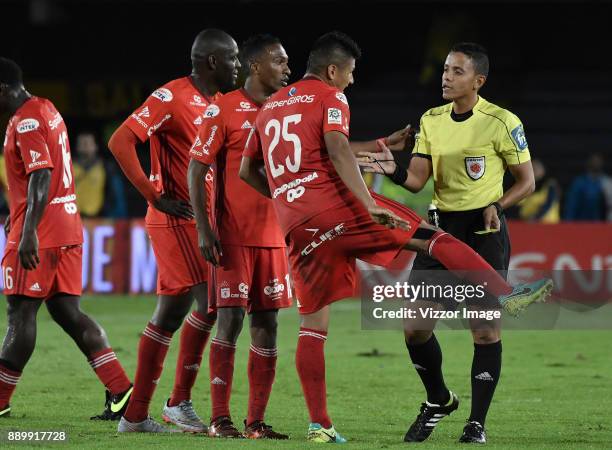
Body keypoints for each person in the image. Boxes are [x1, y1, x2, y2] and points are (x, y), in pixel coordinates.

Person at [241, 32, 552, 443]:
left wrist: (375, 161)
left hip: (298, 223)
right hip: (344, 207)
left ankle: (324, 425)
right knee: (428, 255)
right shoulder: (341, 99)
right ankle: (502, 303)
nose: (351, 82)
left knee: (313, 325)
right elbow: (335, 150)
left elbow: (252, 170)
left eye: (455, 70)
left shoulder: (270, 107)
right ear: (334, 70)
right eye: (349, 74)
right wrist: (366, 203)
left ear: (478, 80)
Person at [359, 42, 544, 444]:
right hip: (438, 235)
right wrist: (392, 169)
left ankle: (476, 422)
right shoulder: (432, 119)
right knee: (414, 328)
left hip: (484, 233)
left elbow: (526, 182)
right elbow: (417, 181)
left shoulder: (502, 121)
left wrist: (498, 203)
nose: (446, 76)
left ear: (478, 80)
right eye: (445, 69)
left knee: (484, 332)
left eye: (457, 71)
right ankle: (438, 399)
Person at [107, 29, 240, 433]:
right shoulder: (171, 97)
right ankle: (178, 402)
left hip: (196, 219)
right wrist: (154, 195)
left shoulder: (219, 104)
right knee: (213, 303)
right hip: (175, 218)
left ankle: (134, 416)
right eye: (233, 58)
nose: (239, 65)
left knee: (171, 313)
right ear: (212, 61)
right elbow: (120, 141)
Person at [0, 57, 132, 421]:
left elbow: (41, 174)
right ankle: (121, 390)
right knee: (67, 311)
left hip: (41, 233)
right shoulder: (47, 108)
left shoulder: (25, 119)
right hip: (67, 227)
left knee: (19, 312)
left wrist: (27, 231)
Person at [188, 34, 291, 440]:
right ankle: (219, 419)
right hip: (231, 236)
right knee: (229, 321)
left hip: (274, 237)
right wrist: (204, 227)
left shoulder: (286, 111)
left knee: (268, 325)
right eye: (280, 62)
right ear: (255, 66)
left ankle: (256, 422)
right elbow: (196, 170)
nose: (287, 69)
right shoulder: (223, 109)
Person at [73, 131, 127, 218]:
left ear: (95, 146)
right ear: (77, 147)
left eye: (88, 143)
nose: (85, 146)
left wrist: (117, 218)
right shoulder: (69, 167)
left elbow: (117, 196)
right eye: (82, 143)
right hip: (74, 217)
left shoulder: (106, 168)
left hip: (99, 218)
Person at [563, 153, 612, 221]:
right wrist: (568, 224)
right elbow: (571, 206)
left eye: (598, 162)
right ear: (589, 163)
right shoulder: (579, 183)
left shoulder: (607, 182)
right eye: (594, 162)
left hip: (601, 224)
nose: (596, 164)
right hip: (582, 223)